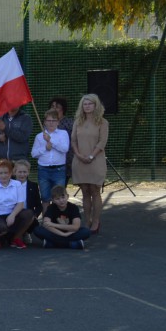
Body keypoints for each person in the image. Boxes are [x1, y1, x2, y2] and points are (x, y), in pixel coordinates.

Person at [70, 93, 109, 233]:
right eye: (84, 104)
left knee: (95, 191)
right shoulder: (77, 122)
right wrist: (78, 154)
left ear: (96, 105)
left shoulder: (103, 122)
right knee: (85, 192)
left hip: (96, 160)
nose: (87, 106)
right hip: (79, 161)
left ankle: (96, 221)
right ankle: (87, 221)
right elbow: (73, 140)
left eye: (90, 104)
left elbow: (102, 142)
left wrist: (92, 155)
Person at [0, 158, 35, 248]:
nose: (3, 176)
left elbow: (20, 204)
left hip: (12, 214)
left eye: (6, 173)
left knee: (29, 214)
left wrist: (12, 215)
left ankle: (15, 238)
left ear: (11, 173)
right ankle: (2, 238)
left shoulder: (17, 184)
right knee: (2, 228)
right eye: (1, 173)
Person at [31, 110, 70, 204]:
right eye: (49, 120)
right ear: (44, 122)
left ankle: (58, 213)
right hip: (43, 170)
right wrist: (45, 148)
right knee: (45, 197)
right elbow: (33, 154)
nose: (51, 123)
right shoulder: (39, 136)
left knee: (59, 196)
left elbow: (65, 149)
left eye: (54, 120)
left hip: (59, 170)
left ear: (58, 122)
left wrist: (51, 140)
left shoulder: (63, 134)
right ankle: (46, 214)